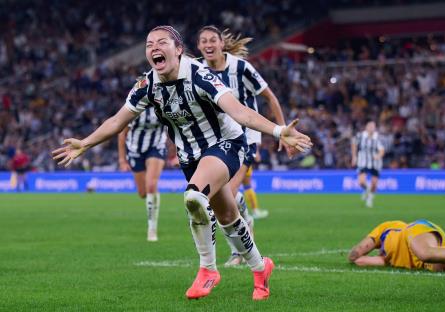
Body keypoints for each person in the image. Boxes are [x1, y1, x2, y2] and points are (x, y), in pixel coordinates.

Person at [52, 25, 312, 300]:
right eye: (149, 43)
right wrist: (85, 142)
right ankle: (261, 269)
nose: (154, 47)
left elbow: (239, 112)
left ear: (178, 50)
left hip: (226, 144)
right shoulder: (147, 85)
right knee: (228, 216)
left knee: (193, 197)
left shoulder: (199, 75)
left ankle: (207, 270)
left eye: (162, 42)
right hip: (190, 157)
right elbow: (118, 121)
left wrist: (278, 130)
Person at [197, 25, 289, 266]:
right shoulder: (197, 70)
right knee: (225, 198)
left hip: (245, 139)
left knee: (224, 194)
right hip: (217, 141)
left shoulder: (241, 67)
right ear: (199, 47)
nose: (208, 45)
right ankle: (246, 219)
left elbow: (270, 97)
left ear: (220, 44)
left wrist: (282, 131)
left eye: (212, 40)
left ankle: (239, 252)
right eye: (203, 41)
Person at [118, 106, 167, 241]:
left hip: (156, 147)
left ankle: (152, 229)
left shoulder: (162, 104)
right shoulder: (134, 106)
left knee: (151, 185)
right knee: (143, 193)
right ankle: (153, 197)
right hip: (135, 150)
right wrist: (122, 160)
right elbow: (122, 134)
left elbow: (174, 128)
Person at [348, 219, 445, 272]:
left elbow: (357, 252)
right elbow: (360, 260)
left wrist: (353, 255)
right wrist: (382, 257)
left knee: (425, 252)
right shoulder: (388, 259)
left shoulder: (385, 228)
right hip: (423, 263)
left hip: (414, 231)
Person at [351, 120, 385, 208]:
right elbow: (354, 144)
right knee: (361, 182)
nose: (371, 128)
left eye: (373, 126)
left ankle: (370, 198)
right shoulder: (361, 136)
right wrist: (354, 156)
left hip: (375, 163)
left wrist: (378, 156)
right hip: (363, 161)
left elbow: (382, 150)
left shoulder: (378, 137)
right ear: (366, 127)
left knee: (374, 184)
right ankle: (367, 190)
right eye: (370, 126)